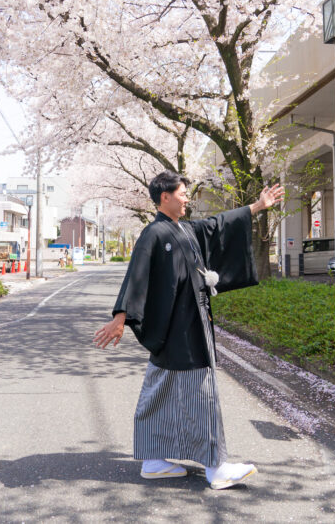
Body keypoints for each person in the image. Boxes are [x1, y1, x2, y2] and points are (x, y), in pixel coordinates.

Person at [93, 171, 284, 490]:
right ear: (164, 196)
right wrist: (121, 316)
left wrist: (257, 206)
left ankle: (154, 461)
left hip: (185, 323)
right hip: (181, 327)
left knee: (162, 389)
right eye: (182, 193)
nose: (187, 199)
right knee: (201, 392)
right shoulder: (153, 234)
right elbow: (137, 274)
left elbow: (218, 225)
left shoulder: (185, 228)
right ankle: (216, 467)